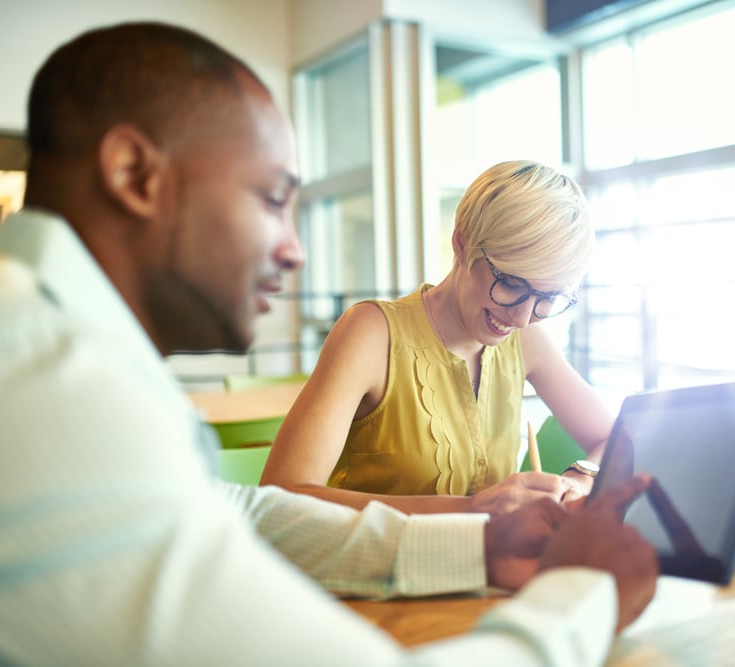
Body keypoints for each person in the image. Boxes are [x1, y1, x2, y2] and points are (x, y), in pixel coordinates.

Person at [0, 21, 659, 665]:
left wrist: (482, 542)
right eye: (272, 198)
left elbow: (246, 510)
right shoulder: (44, 377)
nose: (295, 249)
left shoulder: (54, 343)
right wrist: (582, 595)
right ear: (135, 173)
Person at [262, 160, 616, 516]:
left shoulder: (525, 339)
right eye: (509, 284)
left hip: (486, 571)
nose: (522, 317)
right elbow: (280, 497)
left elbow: (619, 438)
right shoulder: (371, 335)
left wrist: (580, 477)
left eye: (548, 298)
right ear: (461, 242)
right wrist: (471, 509)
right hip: (363, 570)